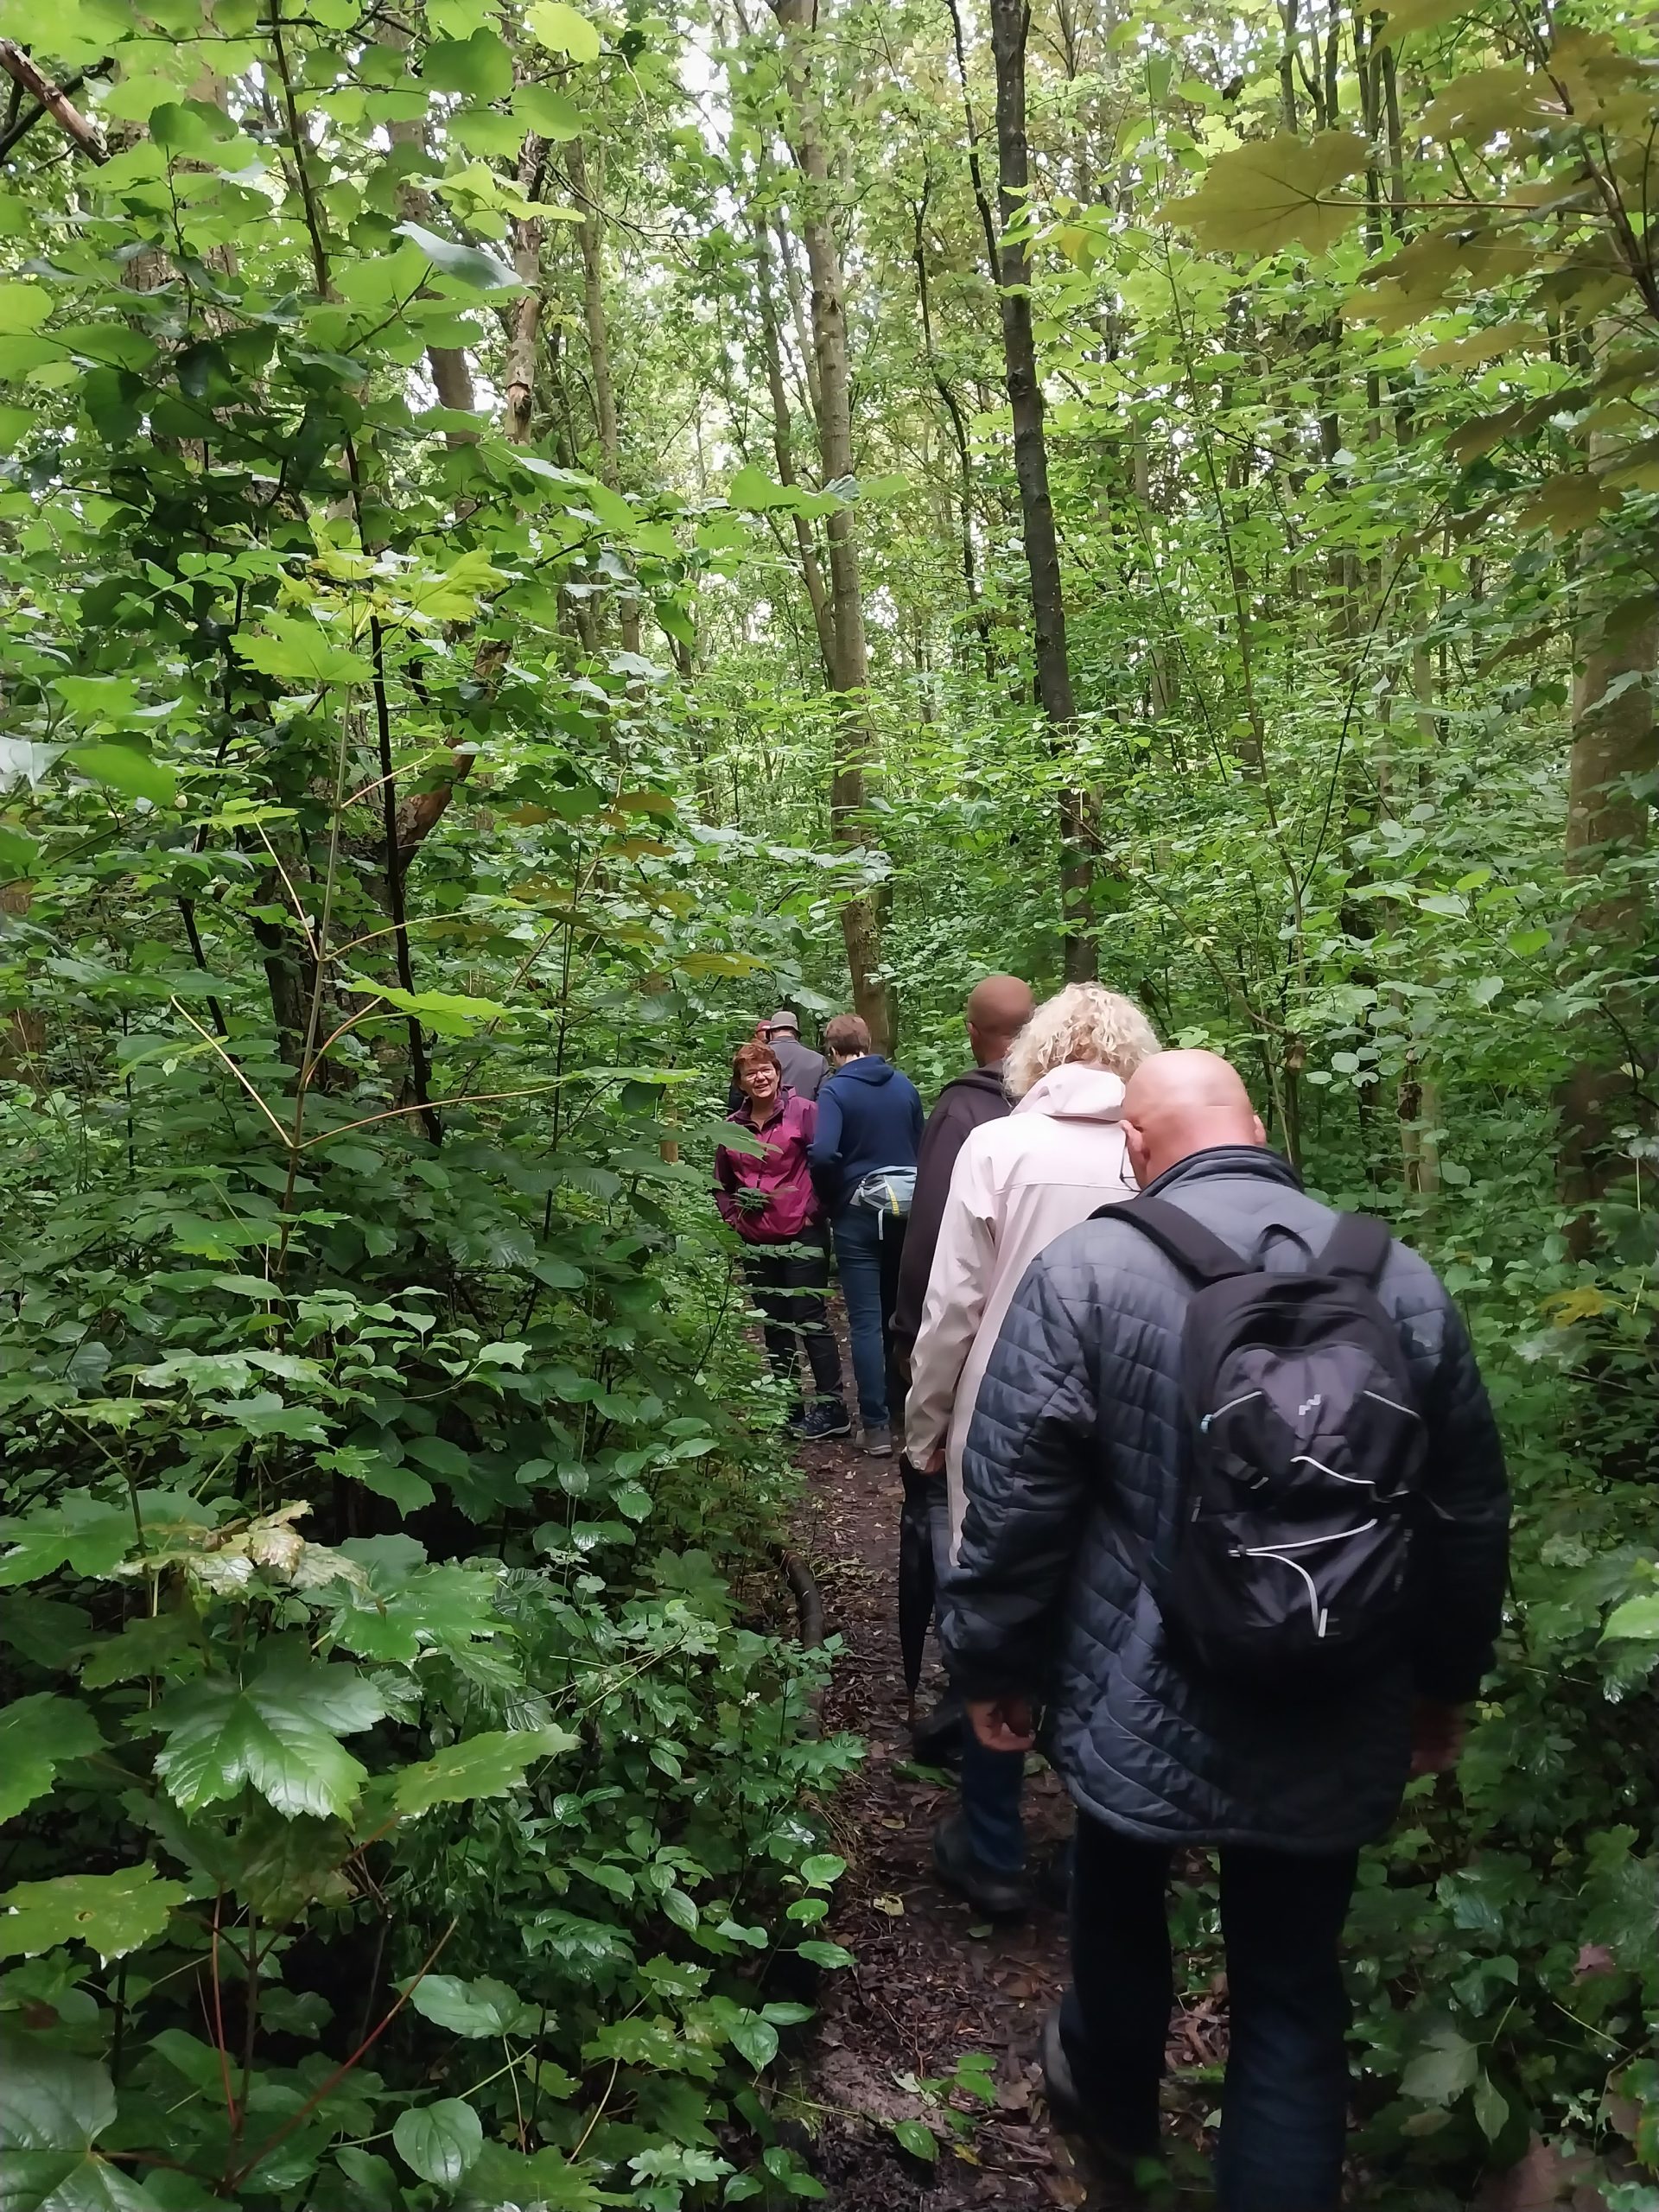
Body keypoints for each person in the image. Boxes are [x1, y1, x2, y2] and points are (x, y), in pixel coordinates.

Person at [938, 1050, 1510, 2212]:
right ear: (1258, 1125)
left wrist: (993, 1664)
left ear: (1137, 1148)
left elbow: (1019, 1497)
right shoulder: (1398, 1276)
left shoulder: (1090, 1268)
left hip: (1139, 1687)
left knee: (1117, 1898)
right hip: (1337, 1683)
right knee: (1291, 1989)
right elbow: (1464, 1514)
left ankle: (1116, 2126)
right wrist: (1441, 1688)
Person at [906, 983, 1160, 1916]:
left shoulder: (999, 1145)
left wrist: (924, 1428)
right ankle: (1100, 1858)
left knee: (1000, 1617)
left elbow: (952, 1309)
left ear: (1034, 1056)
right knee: (1116, 1630)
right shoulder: (1156, 1152)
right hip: (1134, 1422)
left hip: (1007, 1419)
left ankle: (993, 1844)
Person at [890, 975, 1034, 1375]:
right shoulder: (1080, 1107)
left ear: (972, 1032)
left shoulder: (962, 1112)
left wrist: (910, 1333)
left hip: (985, 1341)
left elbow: (933, 1233)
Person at [715, 1040, 849, 1442]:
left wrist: (814, 1209)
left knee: (809, 1318)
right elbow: (721, 1183)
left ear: (778, 1072)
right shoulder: (732, 1128)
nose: (760, 1077)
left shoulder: (804, 1112)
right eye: (750, 1073)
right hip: (756, 1238)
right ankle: (789, 1407)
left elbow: (828, 1162)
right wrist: (733, 1216)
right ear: (740, 1082)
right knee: (774, 1324)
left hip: (801, 1231)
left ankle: (832, 1407)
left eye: (766, 1069)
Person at [808, 1014, 924, 1459]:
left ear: (833, 1050)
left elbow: (821, 1153)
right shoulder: (903, 1086)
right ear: (868, 1042)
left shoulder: (836, 1089)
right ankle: (907, 1410)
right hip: (907, 1210)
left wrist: (834, 1194)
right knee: (901, 1311)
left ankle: (875, 1428)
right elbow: (921, 1144)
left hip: (859, 1211)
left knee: (864, 1320)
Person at [762, 1009, 826, 1103]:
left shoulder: (756, 1057)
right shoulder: (818, 1061)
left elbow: (737, 1100)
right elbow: (824, 1100)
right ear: (796, 1035)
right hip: (804, 1116)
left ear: (770, 1034)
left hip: (763, 1116)